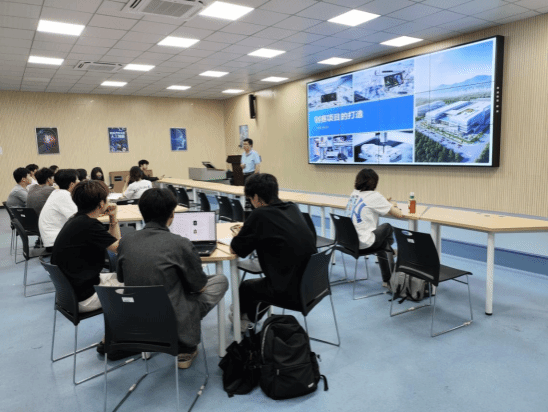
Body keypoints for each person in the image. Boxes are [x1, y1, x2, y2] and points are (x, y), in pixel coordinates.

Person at [117, 188, 228, 369]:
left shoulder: (125, 241)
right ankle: (186, 347)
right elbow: (199, 287)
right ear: (172, 214)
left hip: (137, 318)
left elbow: (122, 278)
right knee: (220, 280)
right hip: (173, 318)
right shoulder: (180, 243)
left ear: (141, 212)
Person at [230, 173, 316, 329]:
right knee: (261, 286)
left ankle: (241, 322)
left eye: (250, 199)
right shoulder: (292, 207)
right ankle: (247, 316)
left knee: (247, 287)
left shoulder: (259, 214)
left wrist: (241, 234)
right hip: (313, 286)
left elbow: (237, 248)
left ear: (256, 197)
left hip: (291, 292)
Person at [51, 180, 122, 313]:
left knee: (122, 277)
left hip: (71, 293)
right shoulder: (90, 226)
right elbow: (119, 249)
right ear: (101, 203)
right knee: (136, 283)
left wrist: (113, 218)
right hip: (84, 298)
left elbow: (114, 243)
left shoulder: (75, 220)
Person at [346, 168, 403, 286]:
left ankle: (387, 280)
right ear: (375, 183)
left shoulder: (354, 194)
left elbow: (368, 203)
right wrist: (392, 205)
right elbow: (398, 214)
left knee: (383, 244)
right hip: (363, 243)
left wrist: (384, 202)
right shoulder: (374, 196)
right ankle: (389, 276)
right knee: (387, 227)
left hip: (349, 242)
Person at [38, 169, 79, 250]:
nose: (80, 182)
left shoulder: (57, 192)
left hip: (52, 239)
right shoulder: (64, 195)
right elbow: (79, 217)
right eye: (78, 180)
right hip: (56, 243)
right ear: (72, 184)